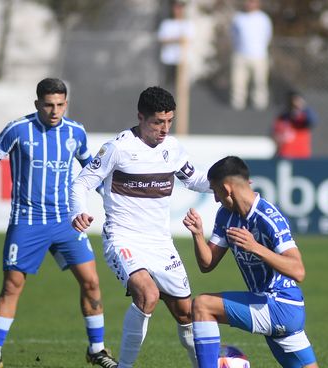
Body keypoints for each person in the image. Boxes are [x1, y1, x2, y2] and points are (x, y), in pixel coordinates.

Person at [0, 78, 118, 368]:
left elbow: (91, 172)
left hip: (65, 221)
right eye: (48, 105)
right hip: (27, 222)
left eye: (60, 104)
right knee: (12, 286)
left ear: (66, 104)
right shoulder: (18, 129)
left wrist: (113, 203)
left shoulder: (75, 132)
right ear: (37, 104)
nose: (54, 110)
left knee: (91, 282)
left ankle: (97, 350)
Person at [70, 86, 210, 368]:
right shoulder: (118, 148)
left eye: (169, 121)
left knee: (186, 315)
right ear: (141, 117)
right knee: (148, 295)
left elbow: (194, 180)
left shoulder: (172, 148)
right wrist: (78, 212)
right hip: (123, 238)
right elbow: (81, 182)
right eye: (158, 122)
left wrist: (228, 183)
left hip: (160, 243)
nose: (164, 129)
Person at [182, 156, 318, 368]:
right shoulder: (226, 215)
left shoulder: (269, 217)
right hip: (269, 306)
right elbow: (207, 264)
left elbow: (298, 271)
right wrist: (198, 235)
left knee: (202, 305)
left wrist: (256, 248)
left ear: (227, 188)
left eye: (216, 191)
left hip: (280, 305)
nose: (216, 199)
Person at [229, 0, 272, 110]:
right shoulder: (238, 18)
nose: (250, 4)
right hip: (240, 55)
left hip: (259, 56)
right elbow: (233, 35)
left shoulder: (264, 19)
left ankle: (260, 106)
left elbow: (268, 35)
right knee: (238, 83)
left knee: (260, 82)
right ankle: (237, 106)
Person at [272, 90, 318, 159]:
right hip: (285, 156)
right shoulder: (283, 118)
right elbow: (275, 133)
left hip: (301, 156)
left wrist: (303, 107)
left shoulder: (303, 117)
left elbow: (312, 120)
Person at [157, 0, 193, 87]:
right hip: (168, 59)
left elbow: (189, 39)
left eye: (180, 7)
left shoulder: (188, 24)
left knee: (181, 87)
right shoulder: (166, 24)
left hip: (182, 60)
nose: (178, 10)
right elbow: (162, 39)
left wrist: (175, 40)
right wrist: (176, 40)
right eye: (176, 7)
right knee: (167, 87)